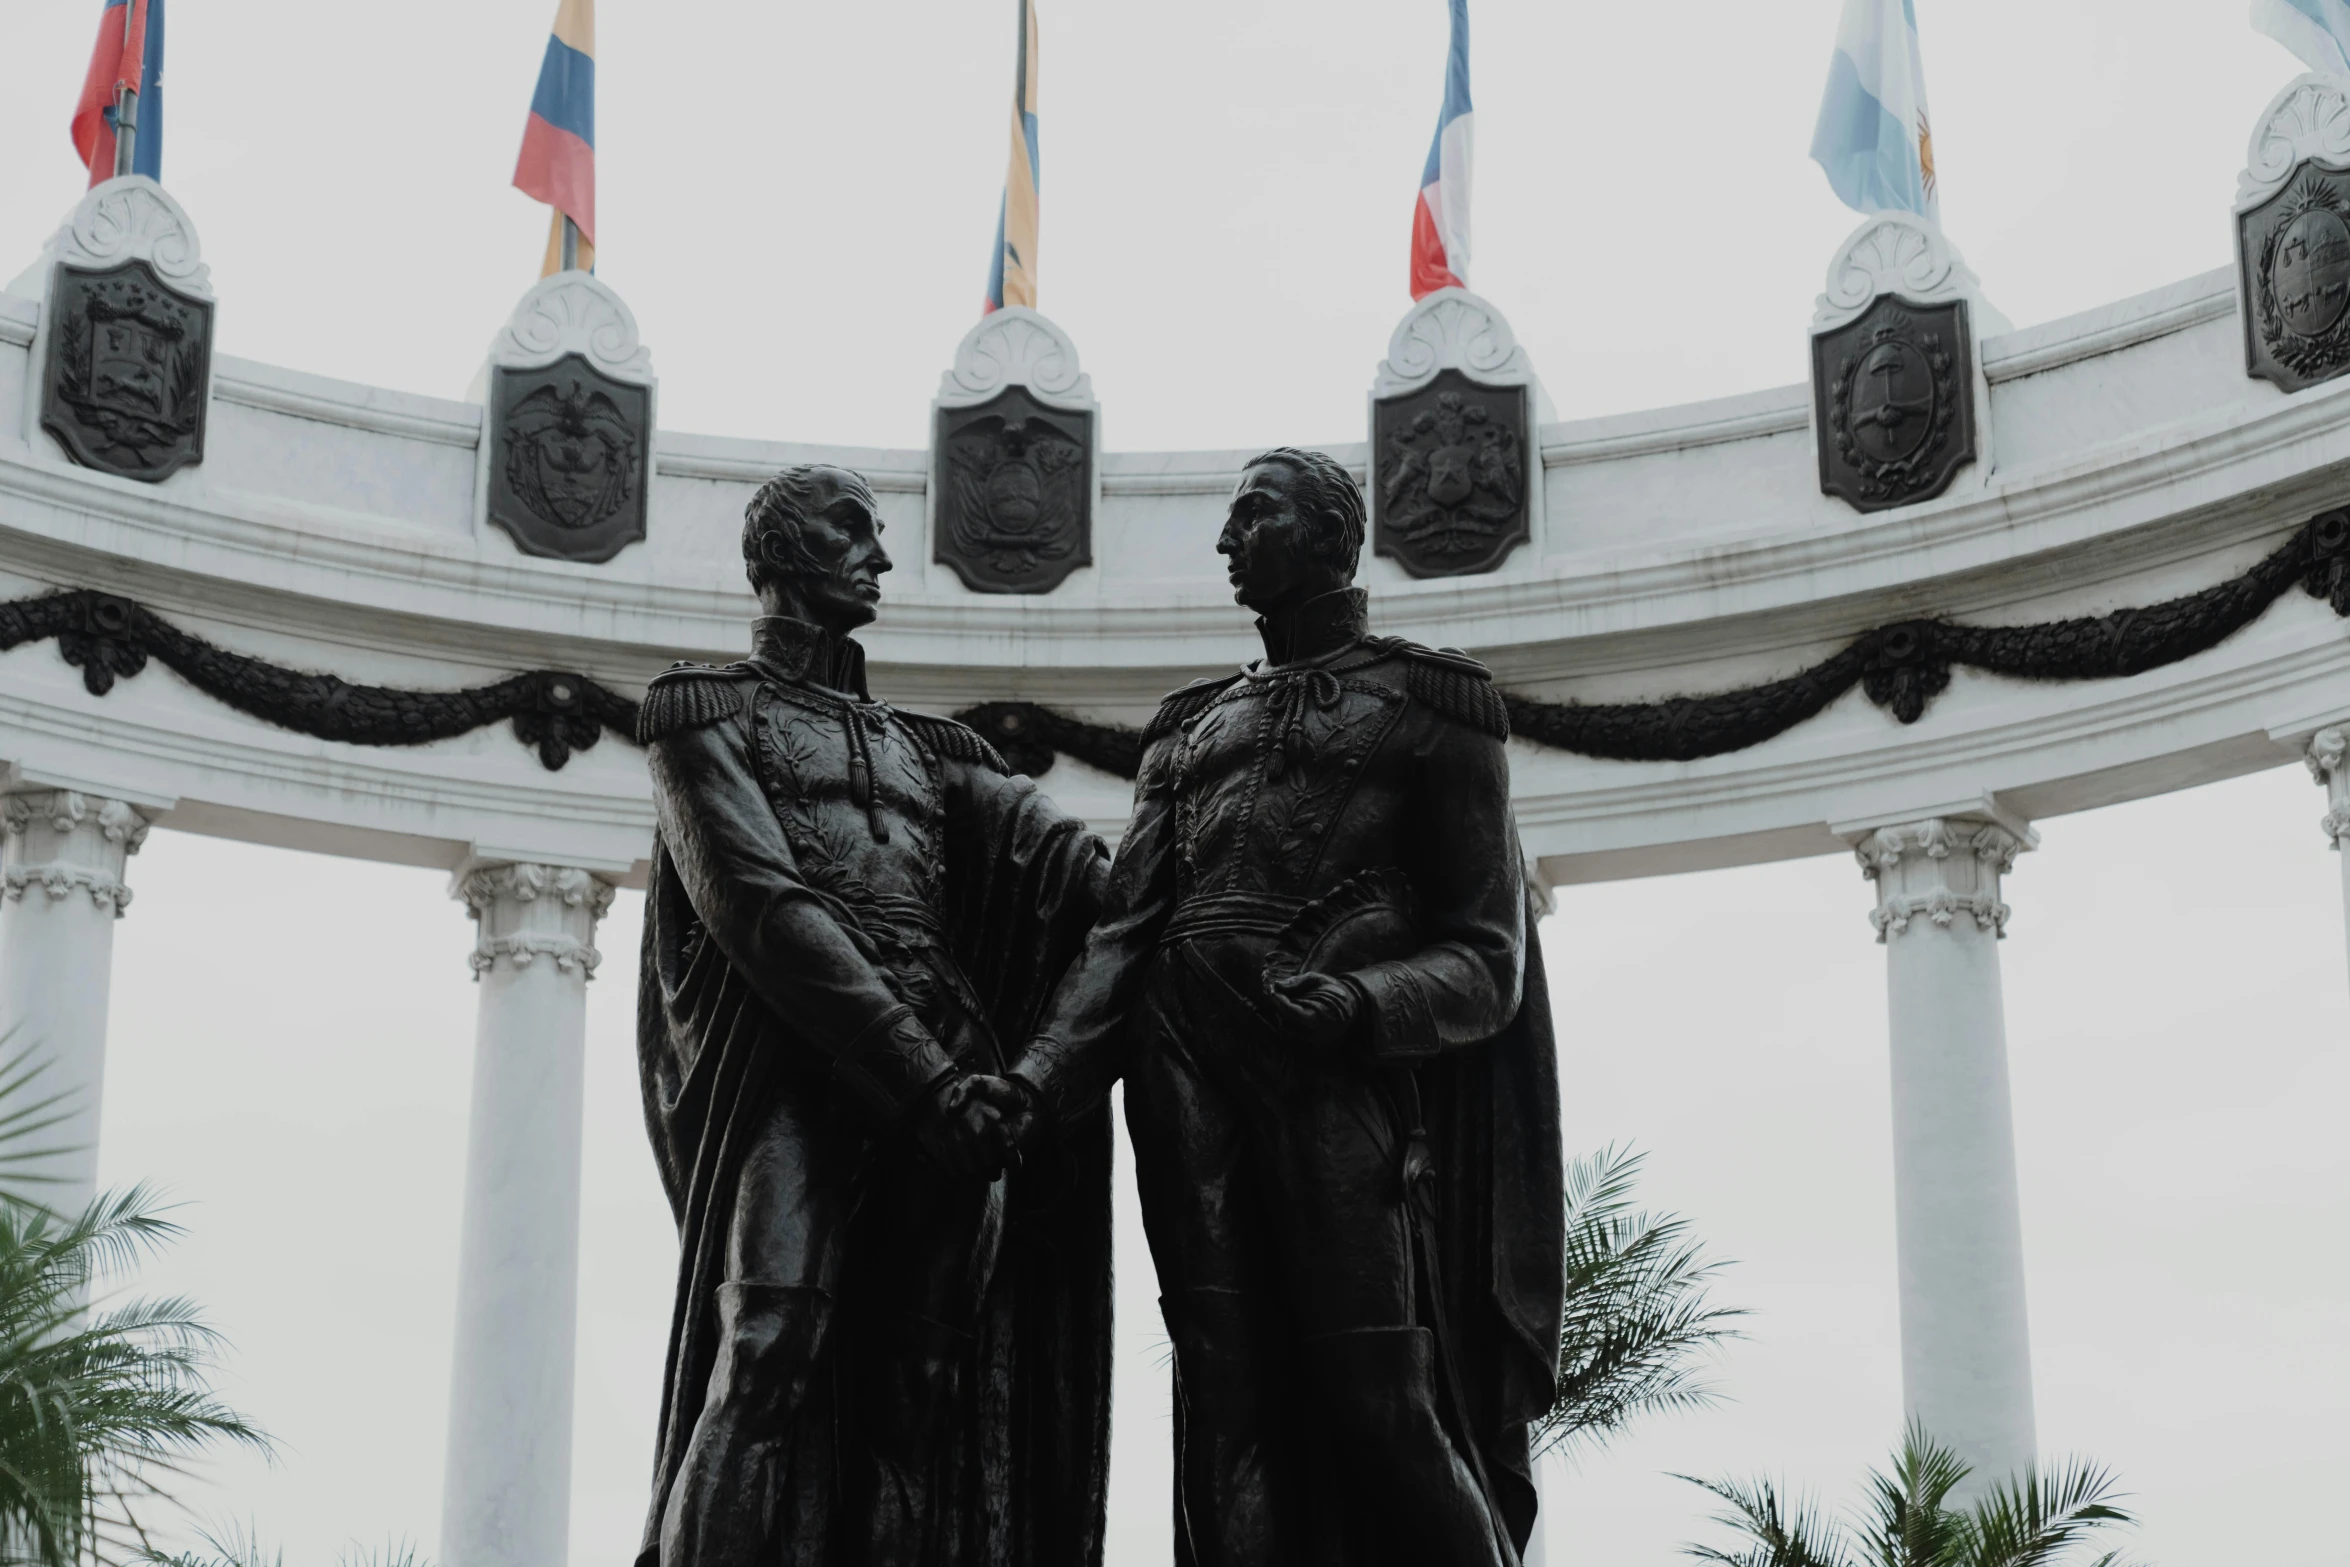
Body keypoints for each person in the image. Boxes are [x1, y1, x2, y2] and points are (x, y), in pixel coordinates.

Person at [996, 447, 1565, 1565]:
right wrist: (1035, 1082)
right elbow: (1122, 933)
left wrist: (1358, 1004)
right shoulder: (1185, 728)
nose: (1224, 542)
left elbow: (1485, 957)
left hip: (1325, 1067)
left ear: (1326, 534)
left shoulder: (1433, 703)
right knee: (1222, 1389)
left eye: (1250, 516)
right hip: (1178, 1062)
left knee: (1380, 1391)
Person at [634, 463, 1111, 1567]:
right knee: (764, 1346)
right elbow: (760, 902)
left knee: (922, 1393)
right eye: (850, 531)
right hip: (799, 1066)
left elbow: (1077, 871)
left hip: (951, 1063)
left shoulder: (935, 752)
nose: (881, 557)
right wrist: (925, 1082)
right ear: (778, 553)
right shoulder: (701, 711)